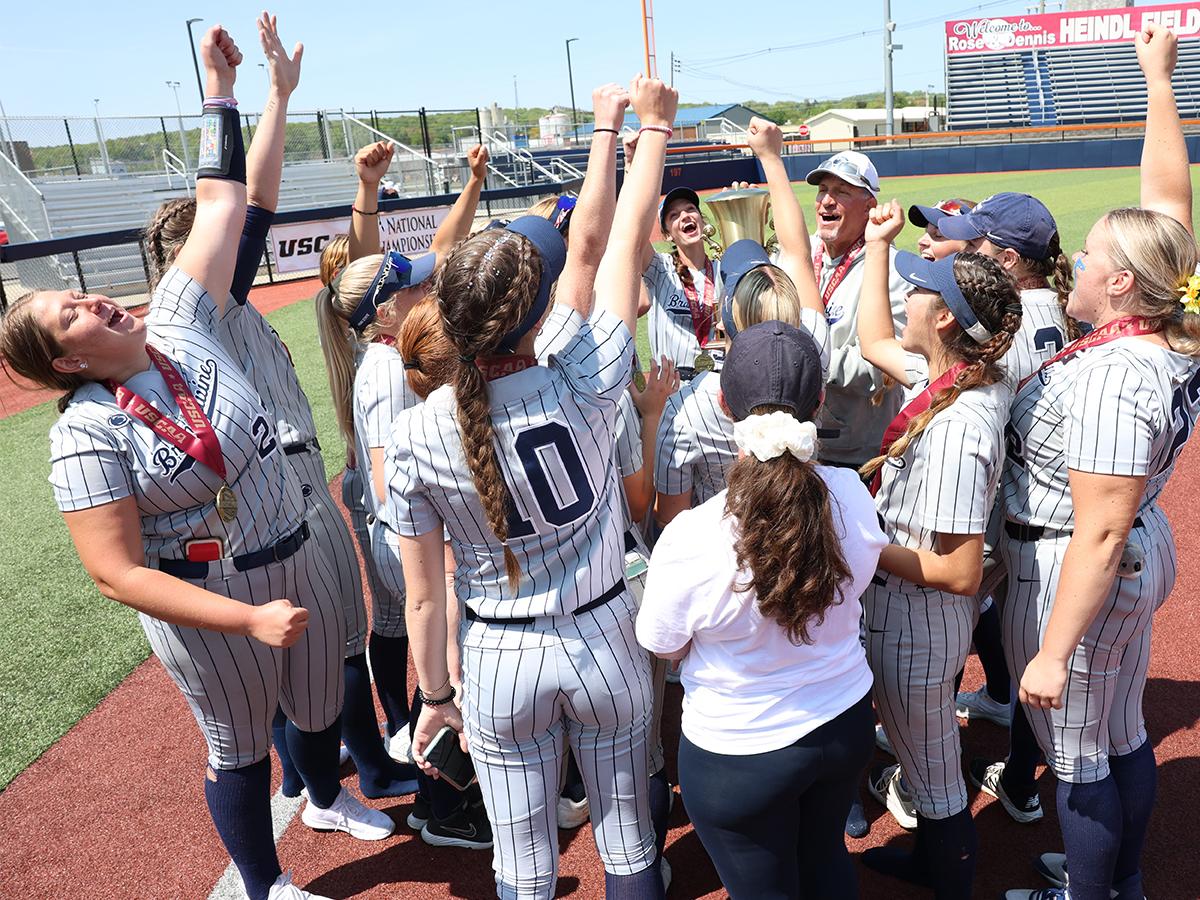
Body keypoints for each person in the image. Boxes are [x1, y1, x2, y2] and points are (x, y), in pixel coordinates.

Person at [0, 24, 382, 900]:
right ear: (65, 362)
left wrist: (219, 87)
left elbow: (221, 203)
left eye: (80, 292)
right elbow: (116, 573)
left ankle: (323, 795)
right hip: (211, 599)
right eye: (71, 315)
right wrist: (243, 622)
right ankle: (263, 882)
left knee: (323, 708)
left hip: (300, 543)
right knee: (240, 746)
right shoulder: (84, 432)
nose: (94, 298)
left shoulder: (179, 319)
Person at [389, 77, 674, 900]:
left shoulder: (412, 434)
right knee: (627, 847)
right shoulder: (584, 375)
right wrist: (631, 129)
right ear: (537, 308)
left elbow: (421, 599)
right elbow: (604, 250)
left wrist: (434, 697)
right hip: (604, 637)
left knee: (521, 864)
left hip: (499, 657)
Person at [143, 14, 417, 804]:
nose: (238, 236)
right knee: (315, 653)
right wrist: (249, 94)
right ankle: (327, 780)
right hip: (269, 503)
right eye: (218, 233)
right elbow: (251, 193)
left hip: (297, 485)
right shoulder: (205, 303)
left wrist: (275, 91)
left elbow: (248, 199)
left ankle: (348, 769)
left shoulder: (224, 304)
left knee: (336, 646)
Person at [1001, 25, 1199, 900]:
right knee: (1120, 736)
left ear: (1122, 284)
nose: (1078, 260)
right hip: (1134, 547)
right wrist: (1158, 78)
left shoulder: (1118, 374)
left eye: (1093, 256)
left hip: (1083, 559)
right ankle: (1118, 881)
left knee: (1080, 755)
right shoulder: (1171, 320)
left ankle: (1088, 893)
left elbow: (1101, 524)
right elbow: (1170, 211)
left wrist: (1049, 652)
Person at [637, 319, 886, 900]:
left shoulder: (691, 536)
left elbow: (663, 644)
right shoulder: (851, 492)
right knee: (825, 862)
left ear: (725, 406)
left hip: (737, 755)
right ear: (819, 402)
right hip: (844, 724)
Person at [855, 199, 1023, 898]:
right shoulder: (948, 381)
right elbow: (871, 339)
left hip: (918, 618)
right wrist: (874, 246)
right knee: (929, 764)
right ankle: (928, 860)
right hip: (905, 611)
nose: (911, 296)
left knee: (933, 773)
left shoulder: (959, 424)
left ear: (947, 317)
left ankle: (947, 876)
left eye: (922, 291)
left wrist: (855, 541)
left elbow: (958, 570)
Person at [313, 138, 491, 768]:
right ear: (385, 312)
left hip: (411, 537)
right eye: (413, 289)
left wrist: (472, 184)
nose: (428, 289)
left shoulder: (388, 351)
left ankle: (444, 786)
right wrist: (439, 554)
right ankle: (446, 801)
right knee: (446, 672)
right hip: (412, 540)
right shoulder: (389, 369)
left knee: (445, 664)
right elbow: (391, 480)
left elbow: (440, 255)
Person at [654, 117, 829, 530]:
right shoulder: (814, 349)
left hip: (727, 552)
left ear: (723, 315)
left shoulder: (690, 406)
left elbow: (671, 526)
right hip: (802, 528)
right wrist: (771, 156)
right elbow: (798, 253)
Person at [805, 149, 911, 469]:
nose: (826, 200)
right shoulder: (801, 254)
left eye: (841, 192)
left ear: (869, 207)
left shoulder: (891, 270)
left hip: (860, 457)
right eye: (823, 190)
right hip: (801, 448)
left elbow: (882, 372)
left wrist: (805, 359)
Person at [638, 179, 723, 374]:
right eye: (674, 215)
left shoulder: (723, 270)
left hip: (720, 383)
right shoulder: (660, 268)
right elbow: (635, 227)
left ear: (701, 220)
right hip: (675, 388)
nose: (685, 216)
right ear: (667, 235)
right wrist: (630, 166)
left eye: (690, 209)